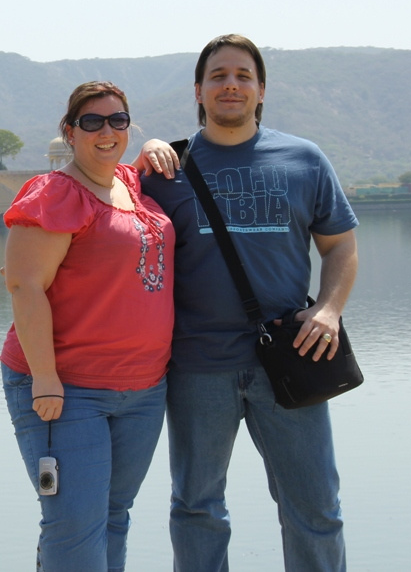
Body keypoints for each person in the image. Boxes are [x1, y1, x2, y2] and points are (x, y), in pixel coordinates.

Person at [137, 34, 359, 572]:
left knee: (315, 507)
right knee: (196, 507)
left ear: (261, 90)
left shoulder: (304, 159)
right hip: (197, 365)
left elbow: (340, 247)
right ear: (199, 90)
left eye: (242, 76)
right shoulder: (165, 170)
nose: (230, 85)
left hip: (291, 358)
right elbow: (110, 216)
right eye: (218, 76)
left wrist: (329, 310)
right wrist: (141, 153)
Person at [1, 81, 174, 571]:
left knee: (113, 517)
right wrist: (45, 379)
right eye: (92, 122)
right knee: (75, 525)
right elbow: (24, 287)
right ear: (70, 132)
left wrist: (155, 147)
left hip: (143, 390)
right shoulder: (56, 194)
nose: (106, 130)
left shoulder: (129, 183)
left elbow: (143, 164)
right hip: (68, 388)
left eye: (118, 120)